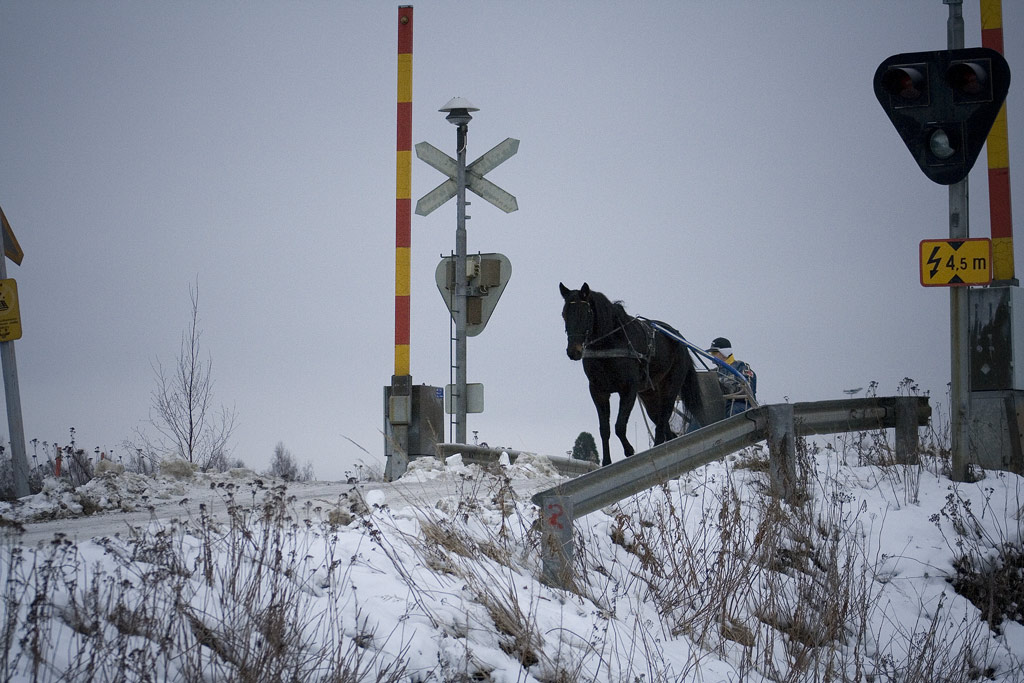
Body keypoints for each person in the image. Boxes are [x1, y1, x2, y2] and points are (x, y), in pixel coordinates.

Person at [707, 337, 757, 416]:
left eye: (714, 352)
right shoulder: (713, 372)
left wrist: (724, 386)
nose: (712, 355)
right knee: (700, 415)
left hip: (741, 405)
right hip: (720, 407)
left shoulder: (742, 367)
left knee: (734, 410)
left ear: (724, 353)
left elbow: (748, 388)